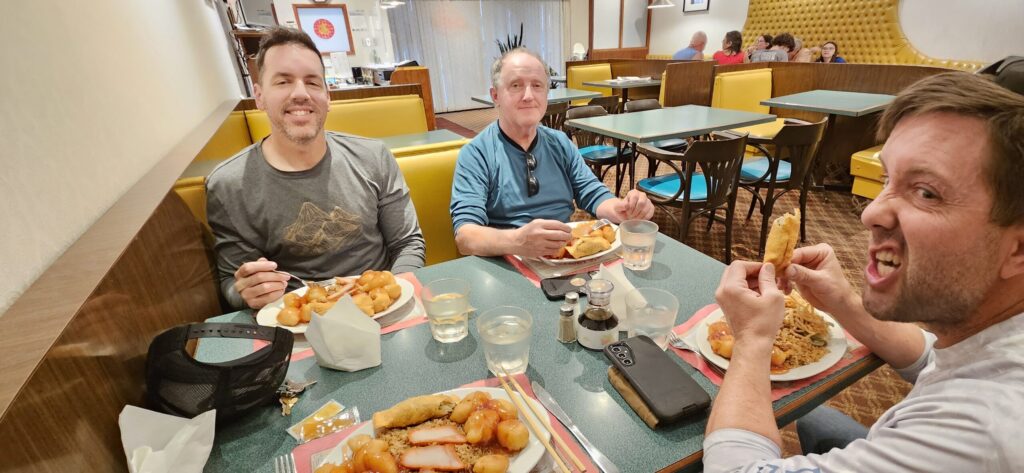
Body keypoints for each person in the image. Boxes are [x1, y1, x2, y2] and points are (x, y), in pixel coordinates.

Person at [703, 71, 1024, 472]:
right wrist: (843, 302)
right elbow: (936, 358)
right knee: (815, 416)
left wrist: (751, 339)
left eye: (926, 192)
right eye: (888, 179)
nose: (871, 212)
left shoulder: (985, 431)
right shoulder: (995, 336)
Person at [206, 27, 425, 310]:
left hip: (380, 303)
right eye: (283, 81)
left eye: (312, 82)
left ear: (327, 95)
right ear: (259, 96)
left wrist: (393, 295)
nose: (301, 94)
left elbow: (408, 243)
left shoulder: (373, 157)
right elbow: (231, 281)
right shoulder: (229, 185)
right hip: (298, 316)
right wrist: (248, 292)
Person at [450, 48, 655, 258]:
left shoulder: (559, 142)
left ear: (547, 94)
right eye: (515, 85)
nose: (528, 96)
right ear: (496, 95)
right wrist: (517, 241)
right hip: (507, 261)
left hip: (565, 256)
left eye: (537, 86)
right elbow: (465, 237)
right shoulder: (476, 154)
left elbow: (592, 193)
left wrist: (623, 208)